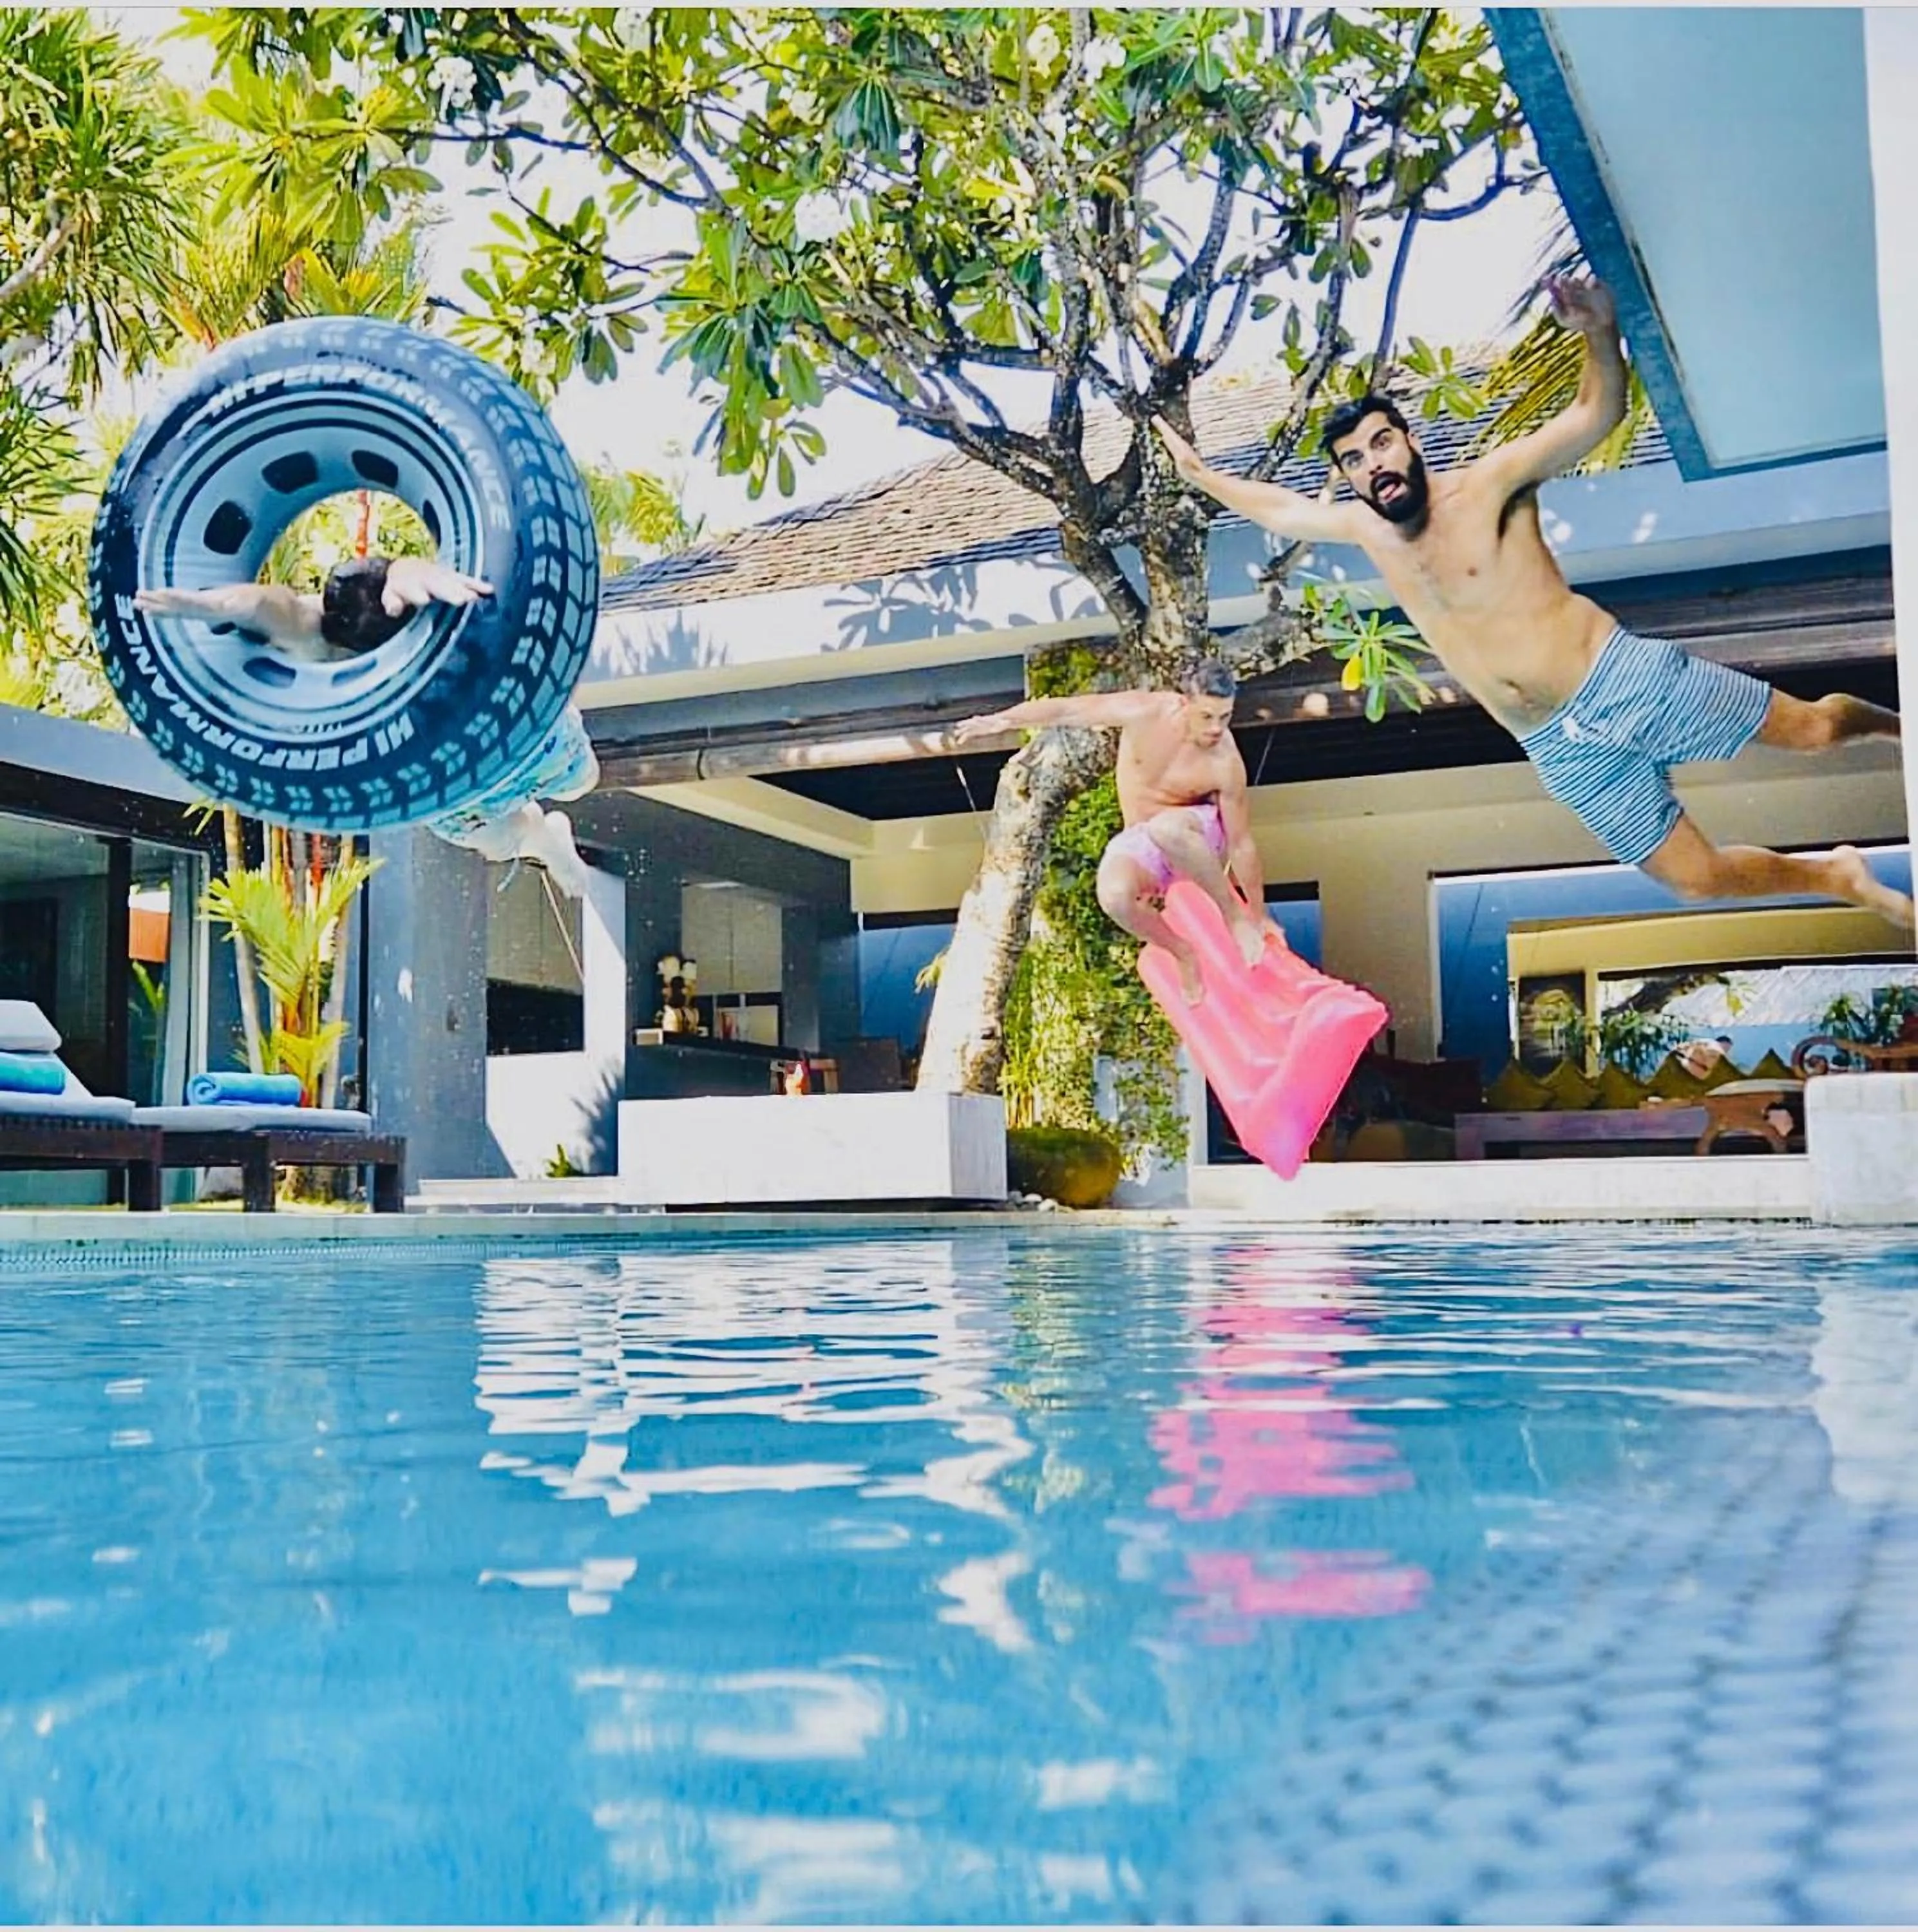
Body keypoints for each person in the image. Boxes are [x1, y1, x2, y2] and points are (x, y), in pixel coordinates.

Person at [1154, 276, 1913, 930]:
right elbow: (1278, 511)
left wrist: (1598, 331)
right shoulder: (1366, 529)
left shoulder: (1487, 483)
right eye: (1353, 460)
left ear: (1409, 442)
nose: (1371, 465)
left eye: (1381, 444)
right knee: (1693, 879)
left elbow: (1594, 415)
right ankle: (1837, 877)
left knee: (1813, 729)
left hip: (1618, 679)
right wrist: (1200, 475)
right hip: (1555, 745)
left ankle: (1896, 728)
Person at [135, 555, 600, 898]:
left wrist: (406, 572)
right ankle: (544, 837)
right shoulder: (317, 633)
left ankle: (544, 828)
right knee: (499, 841)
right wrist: (203, 606)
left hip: (509, 737)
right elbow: (263, 604)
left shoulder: (437, 616)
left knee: (584, 781)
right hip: (446, 780)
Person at [951, 658, 1265, 1005]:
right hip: (1144, 841)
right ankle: (1183, 954)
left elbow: (1241, 843)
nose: (1216, 729)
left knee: (1167, 828)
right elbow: (1068, 710)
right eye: (1207, 716)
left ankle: (1232, 919)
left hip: (1196, 836)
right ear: (1183, 703)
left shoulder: (1226, 761)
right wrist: (1002, 720)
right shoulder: (1144, 712)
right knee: (1114, 896)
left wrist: (1257, 916)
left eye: (1225, 717)